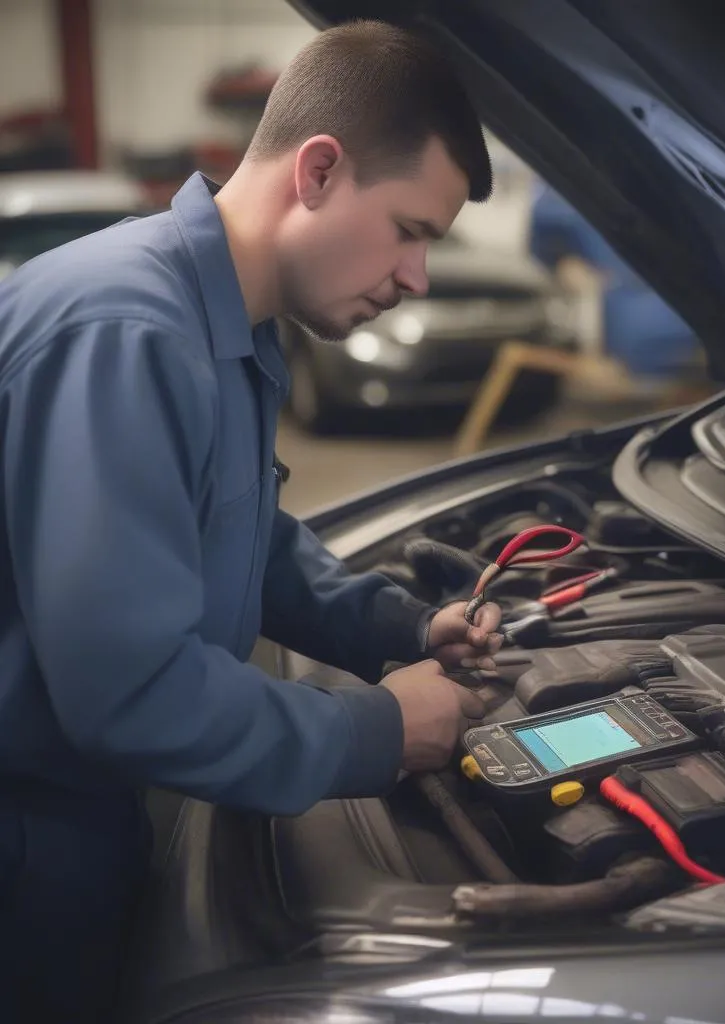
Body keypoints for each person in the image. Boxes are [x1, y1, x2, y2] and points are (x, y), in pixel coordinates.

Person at [0, 19, 500, 1022]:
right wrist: (382, 730)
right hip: (29, 854)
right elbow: (131, 692)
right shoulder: (127, 333)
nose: (417, 280)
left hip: (95, 817)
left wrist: (399, 629)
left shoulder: (226, 325)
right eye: (411, 230)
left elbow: (243, 538)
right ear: (317, 171)